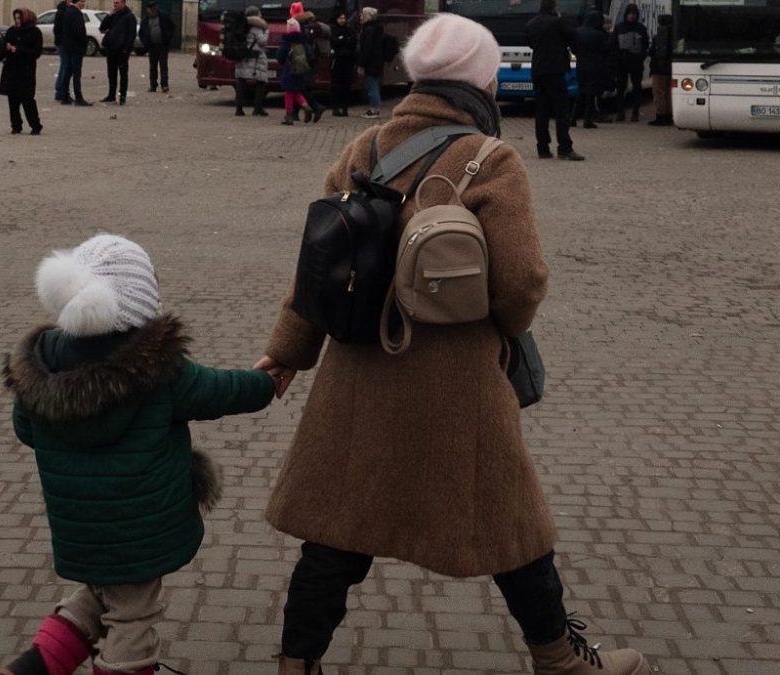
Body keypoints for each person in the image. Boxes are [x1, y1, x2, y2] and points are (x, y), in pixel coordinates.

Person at [256, 13, 651, 675]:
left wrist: (288, 352)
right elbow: (521, 283)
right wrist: (503, 330)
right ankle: (560, 659)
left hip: (359, 376)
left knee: (335, 533)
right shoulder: (490, 159)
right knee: (512, 525)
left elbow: (317, 268)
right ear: (482, 81)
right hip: (460, 383)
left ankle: (296, 664)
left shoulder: (362, 150)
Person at [0, 234, 276, 675]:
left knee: (99, 596)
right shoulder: (157, 368)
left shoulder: (41, 364)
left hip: (80, 527)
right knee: (132, 617)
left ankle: (30, 669)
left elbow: (25, 429)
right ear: (139, 300)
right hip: (140, 529)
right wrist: (267, 383)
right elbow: (221, 391)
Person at [525, 0, 584, 160]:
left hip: (537, 70)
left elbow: (530, 43)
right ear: (554, 6)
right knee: (561, 110)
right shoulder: (557, 22)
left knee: (541, 110)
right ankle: (564, 147)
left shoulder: (531, 23)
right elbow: (574, 34)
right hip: (555, 70)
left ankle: (543, 148)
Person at [0, 8, 43, 135]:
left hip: (26, 70)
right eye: (16, 18)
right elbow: (3, 48)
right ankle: (16, 125)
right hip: (11, 69)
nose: (17, 21)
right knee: (12, 100)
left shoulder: (34, 32)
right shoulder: (11, 31)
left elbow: (36, 52)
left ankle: (35, 125)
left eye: (20, 18)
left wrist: (18, 50)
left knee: (27, 99)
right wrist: (6, 48)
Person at [570, 9, 614, 128]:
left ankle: (572, 118)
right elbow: (605, 48)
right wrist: (610, 35)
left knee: (581, 92)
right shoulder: (598, 34)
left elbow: (573, 48)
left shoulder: (577, 32)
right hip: (595, 66)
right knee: (591, 94)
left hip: (581, 66)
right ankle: (587, 120)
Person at [611, 3, 649, 122]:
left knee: (636, 87)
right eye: (629, 14)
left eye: (634, 14)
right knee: (620, 88)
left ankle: (635, 112)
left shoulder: (641, 28)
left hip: (636, 63)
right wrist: (617, 58)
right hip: (621, 63)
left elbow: (645, 45)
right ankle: (620, 112)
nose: (631, 16)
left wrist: (640, 57)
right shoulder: (619, 27)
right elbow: (614, 44)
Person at [276, 18, 318, 125]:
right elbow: (309, 54)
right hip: (300, 69)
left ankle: (289, 116)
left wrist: (282, 62)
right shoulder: (303, 40)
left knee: (288, 93)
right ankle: (306, 107)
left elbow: (280, 56)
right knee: (296, 91)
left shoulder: (287, 41)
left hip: (289, 69)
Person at [292, 3, 328, 120]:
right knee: (299, 86)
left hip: (302, 59)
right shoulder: (313, 25)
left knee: (299, 86)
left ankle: (315, 107)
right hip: (310, 58)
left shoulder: (299, 25)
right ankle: (296, 113)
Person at [233, 5, 269, 116]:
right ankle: (257, 108)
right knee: (261, 82)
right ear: (256, 14)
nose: (261, 15)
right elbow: (262, 42)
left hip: (242, 56)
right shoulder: (257, 27)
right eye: (259, 13)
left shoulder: (242, 26)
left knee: (241, 81)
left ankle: (239, 109)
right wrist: (266, 32)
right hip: (256, 58)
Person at [99, 0, 137, 105]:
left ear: (123, 3)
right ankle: (111, 95)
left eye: (117, 3)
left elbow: (131, 34)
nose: (115, 5)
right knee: (111, 73)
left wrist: (126, 49)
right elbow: (102, 28)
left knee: (123, 74)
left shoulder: (129, 17)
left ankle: (122, 96)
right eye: (114, 3)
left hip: (122, 50)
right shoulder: (113, 16)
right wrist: (109, 15)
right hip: (111, 49)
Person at [58, 0, 92, 106]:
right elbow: (78, 31)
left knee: (68, 71)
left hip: (69, 46)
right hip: (76, 47)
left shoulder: (68, 12)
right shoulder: (75, 13)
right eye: (82, 1)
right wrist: (85, 41)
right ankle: (78, 97)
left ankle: (64, 96)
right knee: (76, 73)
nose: (83, 4)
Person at [138, 1, 174, 93]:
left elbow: (172, 27)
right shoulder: (145, 20)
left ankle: (164, 85)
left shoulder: (164, 17)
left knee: (163, 66)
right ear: (148, 10)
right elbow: (141, 33)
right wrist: (146, 43)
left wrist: (168, 38)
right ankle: (153, 85)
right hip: (152, 46)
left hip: (163, 46)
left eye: (154, 9)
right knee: (153, 67)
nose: (152, 11)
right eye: (150, 10)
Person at [357, 7, 384, 119]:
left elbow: (366, 48)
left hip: (371, 63)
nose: (360, 17)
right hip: (377, 61)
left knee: (371, 85)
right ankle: (375, 108)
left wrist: (362, 64)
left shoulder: (368, 30)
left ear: (368, 16)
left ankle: (374, 109)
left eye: (363, 14)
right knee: (374, 84)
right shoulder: (377, 28)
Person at [329, 11, 357, 117]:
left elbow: (353, 42)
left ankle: (345, 108)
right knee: (336, 85)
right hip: (337, 61)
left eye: (344, 18)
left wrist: (342, 40)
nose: (342, 20)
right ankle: (335, 107)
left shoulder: (350, 29)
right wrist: (344, 40)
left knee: (346, 85)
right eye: (340, 18)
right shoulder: (333, 30)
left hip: (348, 61)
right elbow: (334, 42)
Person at [647, 14, 673, 126]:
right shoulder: (675, 35)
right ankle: (669, 115)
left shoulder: (659, 35)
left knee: (658, 92)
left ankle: (660, 115)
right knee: (669, 92)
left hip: (658, 68)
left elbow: (652, 52)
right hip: (671, 67)